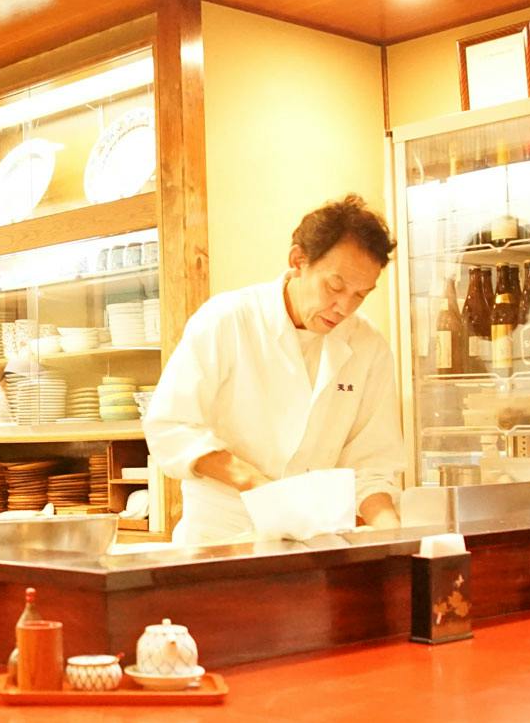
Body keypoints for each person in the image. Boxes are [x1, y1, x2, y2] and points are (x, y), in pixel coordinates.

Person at [143, 195, 405, 544]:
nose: (344, 307)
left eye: (360, 295)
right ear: (298, 260)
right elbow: (172, 426)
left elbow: (371, 465)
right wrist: (258, 486)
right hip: (221, 538)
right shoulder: (228, 320)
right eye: (335, 286)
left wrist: (395, 536)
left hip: (314, 537)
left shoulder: (368, 346)